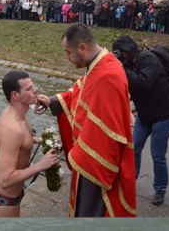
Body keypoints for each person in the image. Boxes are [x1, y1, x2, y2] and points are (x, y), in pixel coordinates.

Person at [35, 24, 136, 217]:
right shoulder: (100, 63)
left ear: (82, 47)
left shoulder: (107, 74)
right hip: (87, 153)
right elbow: (78, 92)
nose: (67, 58)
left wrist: (79, 155)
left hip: (96, 161)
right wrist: (52, 101)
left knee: (89, 208)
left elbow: (108, 130)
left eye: (68, 52)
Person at [112, 35, 169, 206]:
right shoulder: (129, 64)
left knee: (158, 154)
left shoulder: (149, 59)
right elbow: (129, 87)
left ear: (128, 50)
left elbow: (143, 83)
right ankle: (130, 180)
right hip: (145, 115)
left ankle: (160, 188)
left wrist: (121, 68)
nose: (120, 57)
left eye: (121, 53)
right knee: (134, 148)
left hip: (163, 115)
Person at [0, 70, 58, 217]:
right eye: (29, 89)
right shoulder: (12, 129)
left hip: (15, 192)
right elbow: (4, 180)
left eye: (33, 86)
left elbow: (21, 141)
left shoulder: (18, 113)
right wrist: (41, 165)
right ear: (15, 95)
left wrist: (37, 139)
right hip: (6, 199)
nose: (36, 91)